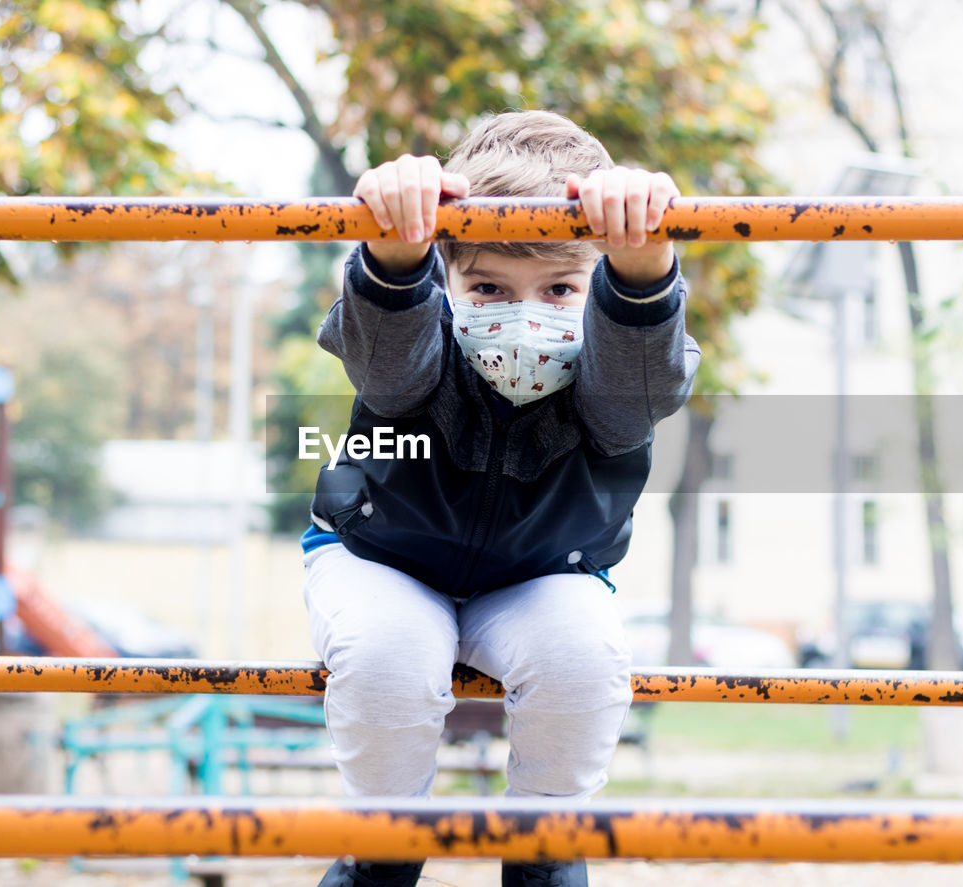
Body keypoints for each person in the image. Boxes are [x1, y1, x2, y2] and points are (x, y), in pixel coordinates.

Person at [301, 109, 700, 887]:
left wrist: (644, 264)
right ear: (448, 278)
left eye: (560, 287)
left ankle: (544, 850)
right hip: (383, 554)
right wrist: (395, 245)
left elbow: (635, 393)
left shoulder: (614, 357)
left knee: (584, 657)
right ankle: (379, 854)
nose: (525, 317)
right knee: (389, 655)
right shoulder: (423, 335)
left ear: (597, 283)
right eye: (488, 284)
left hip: (542, 572)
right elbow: (386, 369)